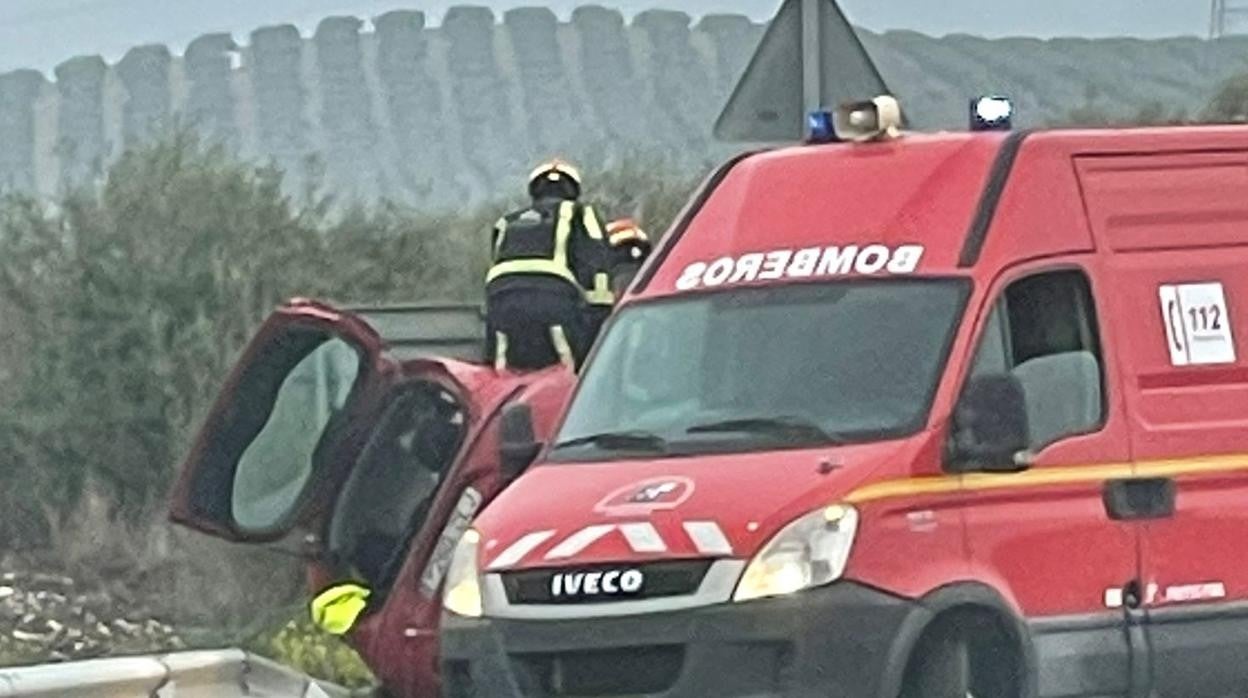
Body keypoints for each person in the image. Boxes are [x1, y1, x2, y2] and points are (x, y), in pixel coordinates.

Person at [485, 159, 613, 371]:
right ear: (573, 190)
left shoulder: (506, 221)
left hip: (502, 300)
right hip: (552, 297)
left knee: (504, 371)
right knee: (571, 370)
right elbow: (596, 257)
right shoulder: (581, 213)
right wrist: (601, 310)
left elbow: (494, 266)